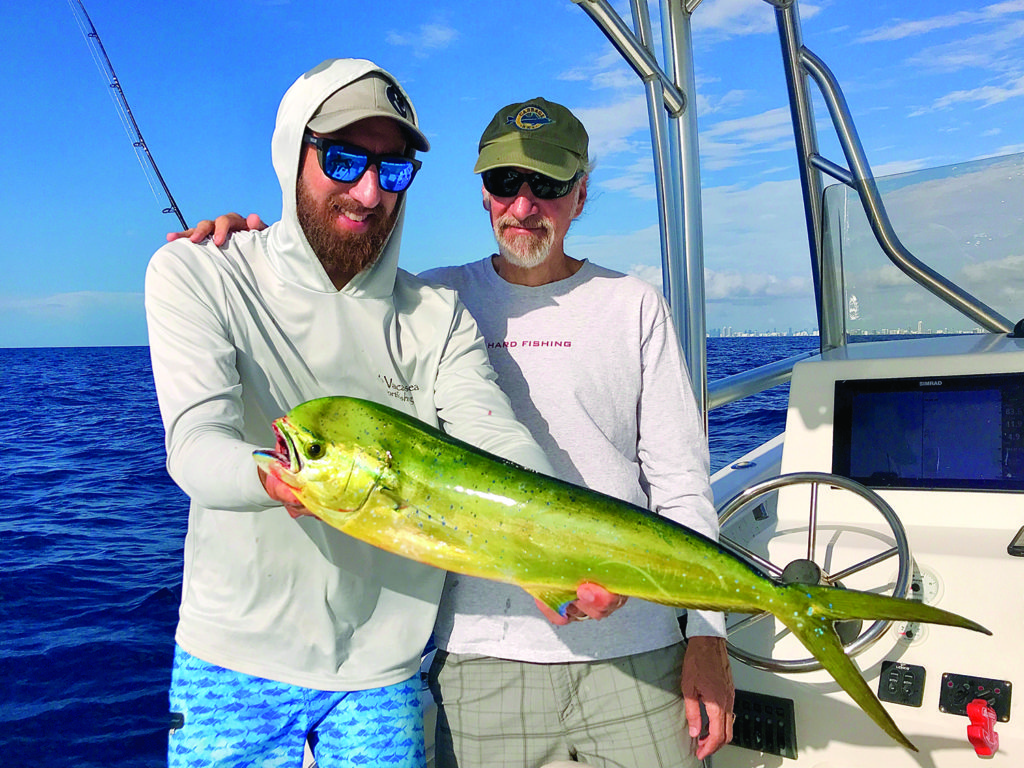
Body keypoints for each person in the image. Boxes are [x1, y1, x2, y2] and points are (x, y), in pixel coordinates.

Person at [175, 98, 735, 767]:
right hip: (476, 661)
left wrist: (708, 639)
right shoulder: (430, 302)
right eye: (505, 183)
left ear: (582, 193)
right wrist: (253, 245)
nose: (524, 206)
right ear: (482, 193)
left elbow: (680, 480)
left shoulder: (635, 304)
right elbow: (327, 295)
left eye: (549, 185)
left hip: (635, 646)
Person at [145, 59, 559, 768]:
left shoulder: (436, 315)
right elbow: (195, 445)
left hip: (383, 673)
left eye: (392, 170)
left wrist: (551, 550)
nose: (369, 192)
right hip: (232, 664)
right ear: (290, 152)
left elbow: (497, 438)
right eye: (342, 159)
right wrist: (273, 477)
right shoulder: (196, 271)